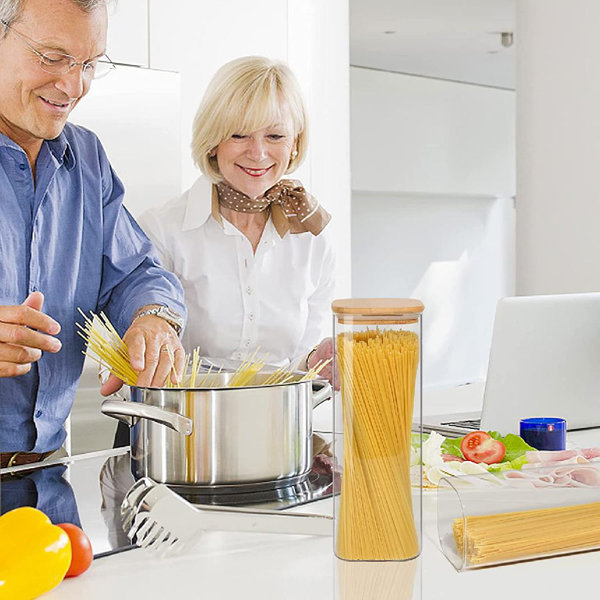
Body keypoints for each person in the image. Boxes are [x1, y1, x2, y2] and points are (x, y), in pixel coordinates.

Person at [0, 0, 187, 468]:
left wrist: (152, 319)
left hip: (46, 467)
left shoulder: (86, 158)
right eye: (51, 56)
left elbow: (135, 272)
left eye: (89, 63)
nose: (73, 85)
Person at [139, 56, 336, 383]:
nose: (258, 154)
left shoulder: (313, 237)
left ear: (295, 142)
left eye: (275, 136)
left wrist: (317, 360)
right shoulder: (162, 231)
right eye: (239, 135)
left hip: (279, 423)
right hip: (186, 424)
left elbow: (301, 366)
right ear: (213, 141)